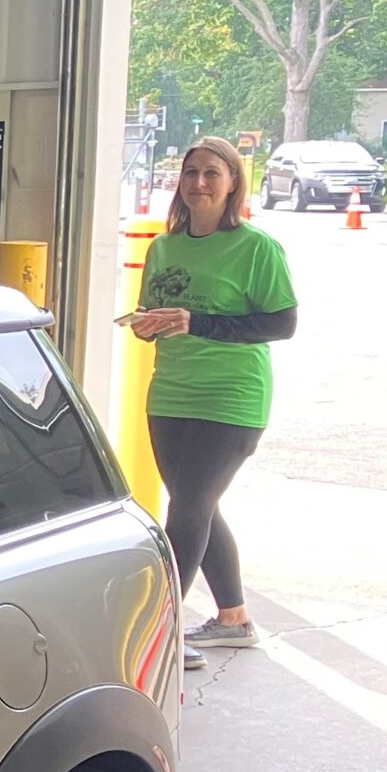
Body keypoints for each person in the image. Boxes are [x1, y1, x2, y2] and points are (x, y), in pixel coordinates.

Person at [124, 136, 296, 671]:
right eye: (191, 172)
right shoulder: (165, 246)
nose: (199, 182)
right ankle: (233, 618)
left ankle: (161, 633)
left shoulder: (255, 247)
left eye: (212, 174)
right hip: (172, 391)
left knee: (189, 508)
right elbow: (154, 314)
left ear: (232, 184)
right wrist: (149, 325)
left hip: (231, 397)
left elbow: (281, 323)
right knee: (197, 505)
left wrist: (197, 322)